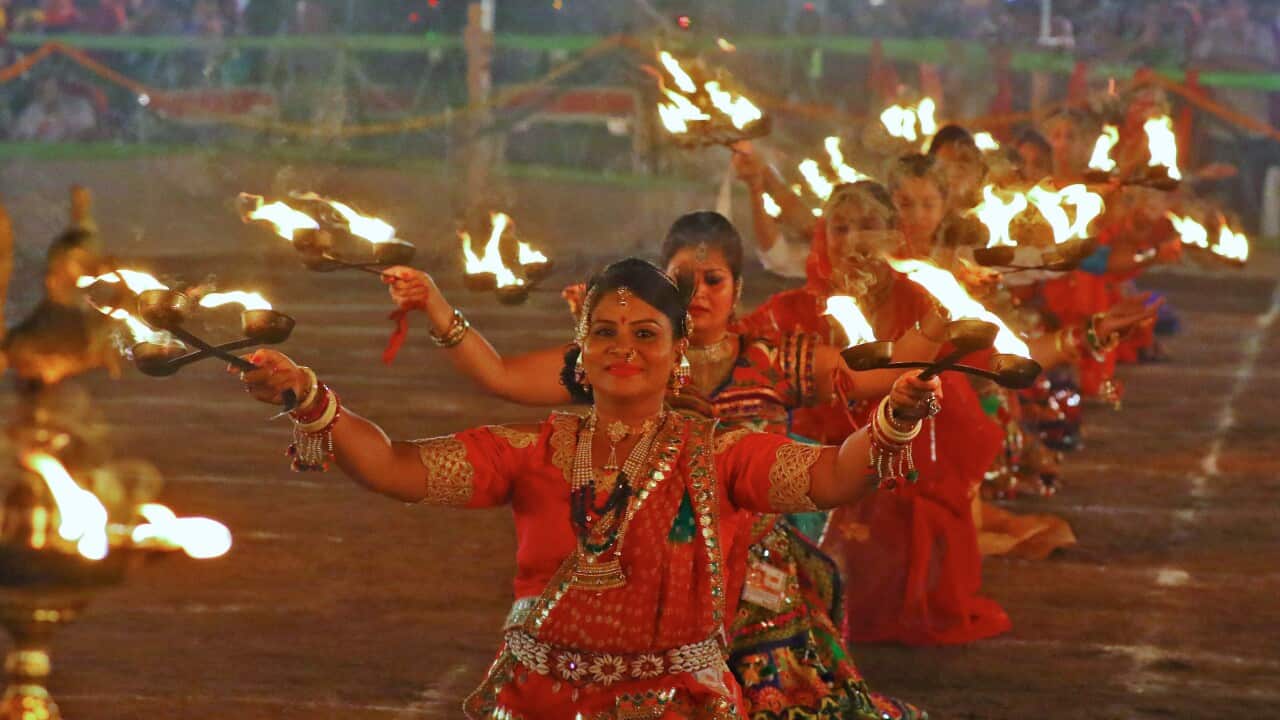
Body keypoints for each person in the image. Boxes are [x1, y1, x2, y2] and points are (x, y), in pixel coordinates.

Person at [236, 257, 940, 719]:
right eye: (604, 332)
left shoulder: (719, 455)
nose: (622, 348)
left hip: (676, 708)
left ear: (678, 351)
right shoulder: (533, 451)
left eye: (645, 333)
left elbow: (832, 474)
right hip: (537, 703)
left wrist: (893, 420)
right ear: (582, 349)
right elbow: (393, 466)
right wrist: (310, 399)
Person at [13, 77, 97, 142]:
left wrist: (72, 137)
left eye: (51, 88)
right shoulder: (30, 113)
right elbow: (22, 139)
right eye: (41, 90)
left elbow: (89, 132)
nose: (47, 92)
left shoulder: (78, 105)